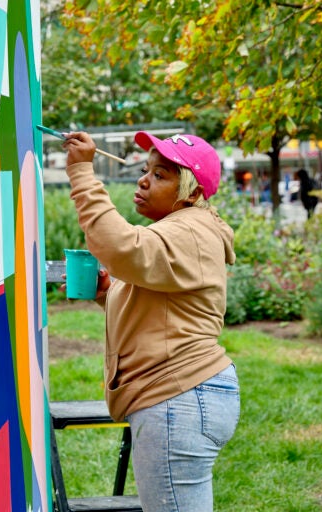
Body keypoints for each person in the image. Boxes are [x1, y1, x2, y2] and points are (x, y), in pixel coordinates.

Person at [62, 131, 240, 512]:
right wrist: (106, 295)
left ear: (191, 192)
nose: (144, 180)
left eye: (161, 175)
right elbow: (164, 310)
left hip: (178, 396)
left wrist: (81, 171)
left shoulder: (190, 230)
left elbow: (118, 245)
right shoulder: (182, 231)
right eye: (146, 170)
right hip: (184, 395)